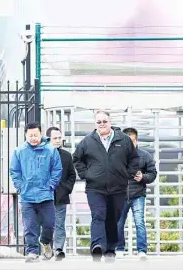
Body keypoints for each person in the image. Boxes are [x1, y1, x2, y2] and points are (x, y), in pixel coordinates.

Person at [72, 110, 140, 262]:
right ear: (95, 124)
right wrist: (86, 174)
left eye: (104, 121)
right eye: (99, 122)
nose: (102, 124)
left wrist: (128, 174)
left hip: (118, 188)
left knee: (112, 218)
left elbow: (134, 158)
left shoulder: (123, 139)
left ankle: (110, 249)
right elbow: (76, 159)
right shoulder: (87, 141)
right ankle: (97, 246)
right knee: (98, 215)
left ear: (110, 122)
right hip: (95, 188)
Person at [10, 122, 63, 263]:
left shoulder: (51, 150)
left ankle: (45, 243)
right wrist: (20, 186)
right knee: (29, 226)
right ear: (26, 135)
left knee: (49, 225)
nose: (34, 138)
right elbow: (14, 171)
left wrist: (51, 185)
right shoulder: (19, 151)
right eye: (30, 135)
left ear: (41, 134)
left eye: (36, 135)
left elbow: (57, 170)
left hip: (46, 195)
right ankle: (32, 251)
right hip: (27, 196)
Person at [115, 127, 157, 261]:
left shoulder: (145, 155)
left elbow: (153, 173)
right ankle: (119, 249)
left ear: (137, 140)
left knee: (139, 223)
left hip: (138, 194)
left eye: (132, 141)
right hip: (120, 194)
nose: (130, 144)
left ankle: (142, 251)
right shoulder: (117, 156)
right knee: (118, 223)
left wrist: (143, 177)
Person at [45, 127, 76, 260]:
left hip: (61, 196)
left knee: (59, 224)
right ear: (48, 139)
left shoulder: (66, 155)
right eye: (55, 138)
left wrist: (66, 189)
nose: (58, 141)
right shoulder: (42, 154)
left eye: (59, 138)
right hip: (44, 196)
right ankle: (46, 249)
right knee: (45, 224)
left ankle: (58, 249)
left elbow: (71, 175)